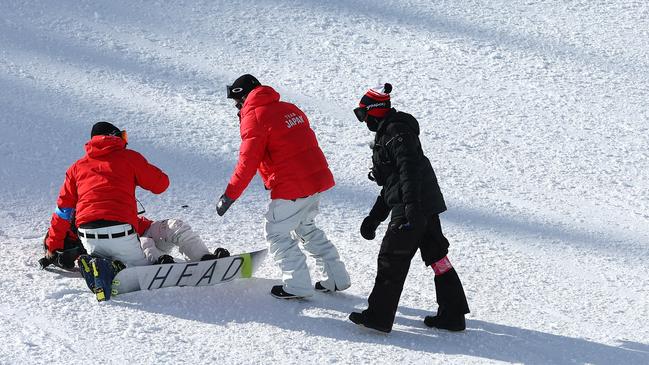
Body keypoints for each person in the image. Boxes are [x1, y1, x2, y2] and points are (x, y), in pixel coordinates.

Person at [44, 121, 228, 300]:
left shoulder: (76, 168)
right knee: (145, 247)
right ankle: (153, 264)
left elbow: (62, 212)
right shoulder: (129, 158)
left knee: (164, 230)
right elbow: (161, 184)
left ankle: (103, 266)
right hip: (121, 234)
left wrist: (53, 247)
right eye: (123, 136)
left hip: (89, 238)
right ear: (115, 136)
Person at [348, 84, 470, 333]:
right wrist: (374, 217)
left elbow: (408, 170)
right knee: (437, 257)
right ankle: (453, 314)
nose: (363, 122)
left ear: (375, 111)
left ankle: (378, 317)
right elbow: (393, 181)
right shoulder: (390, 132)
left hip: (413, 204)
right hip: (422, 202)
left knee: (391, 258)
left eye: (363, 115)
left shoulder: (396, 132)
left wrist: (411, 208)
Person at [216, 74, 351, 299]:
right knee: (306, 228)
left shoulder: (256, 116)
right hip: (314, 181)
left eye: (237, 102)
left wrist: (229, 195)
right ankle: (336, 278)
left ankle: (297, 285)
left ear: (244, 96)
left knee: (276, 233)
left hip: (291, 185)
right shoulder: (289, 108)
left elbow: (247, 162)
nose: (237, 107)